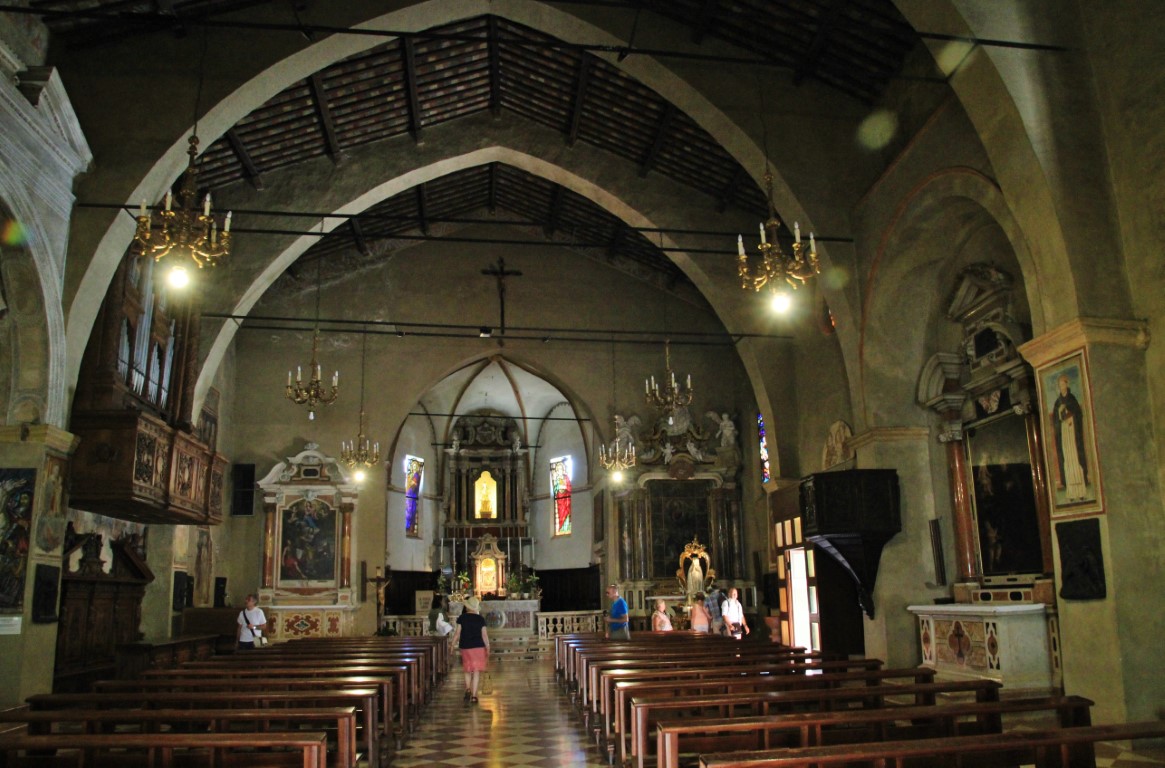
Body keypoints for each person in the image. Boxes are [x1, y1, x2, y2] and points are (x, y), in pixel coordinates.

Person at [1052, 374, 1089, 501]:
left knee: (1076, 458)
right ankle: (1071, 493)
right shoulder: (1057, 402)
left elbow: (1078, 413)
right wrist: (1059, 412)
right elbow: (1056, 420)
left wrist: (1067, 409)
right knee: (1067, 460)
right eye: (1059, 385)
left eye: (1063, 384)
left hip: (1073, 433)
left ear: (1067, 384)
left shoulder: (1071, 398)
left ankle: (1081, 491)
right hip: (1064, 435)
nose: (1061, 387)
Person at [451, 596, 490, 703]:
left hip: (466, 646)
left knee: (467, 669)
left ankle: (468, 688)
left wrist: (452, 645)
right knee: (476, 671)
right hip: (478, 647)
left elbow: (457, 634)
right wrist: (488, 647)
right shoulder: (480, 619)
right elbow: (485, 636)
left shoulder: (462, 618)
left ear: (467, 607)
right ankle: (474, 696)